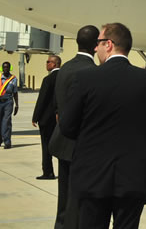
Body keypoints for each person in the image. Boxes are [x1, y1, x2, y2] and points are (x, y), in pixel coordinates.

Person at [60, 23, 146, 228]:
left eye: (98, 43)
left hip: (92, 177)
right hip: (134, 179)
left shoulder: (84, 79)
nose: (95, 48)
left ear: (109, 44)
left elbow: (67, 127)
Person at [49, 25, 98, 229]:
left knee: (64, 195)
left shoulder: (65, 68)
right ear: (96, 46)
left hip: (62, 140)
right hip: (82, 145)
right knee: (80, 200)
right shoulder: (93, 72)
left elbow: (58, 104)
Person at [32, 55, 60, 180]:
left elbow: (42, 100)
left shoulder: (48, 79)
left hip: (47, 119)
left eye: (48, 62)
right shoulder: (64, 77)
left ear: (54, 64)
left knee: (46, 146)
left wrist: (35, 116)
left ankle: (48, 171)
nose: (46, 64)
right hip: (60, 118)